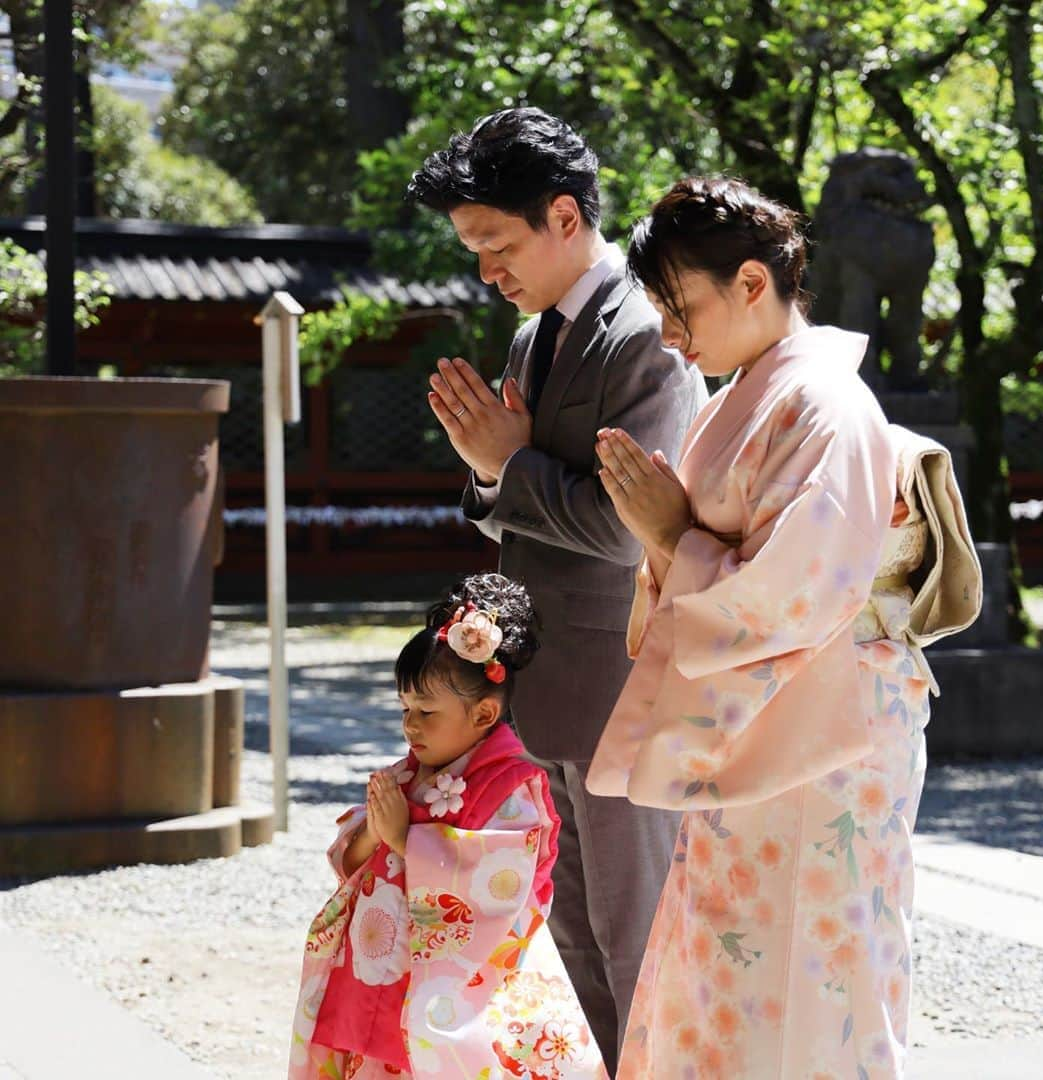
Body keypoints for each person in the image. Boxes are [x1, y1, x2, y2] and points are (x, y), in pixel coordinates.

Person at [585, 176, 981, 1078]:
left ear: (753, 284)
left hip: (825, 729)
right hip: (768, 722)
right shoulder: (753, 396)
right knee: (736, 959)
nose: (674, 339)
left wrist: (669, 535)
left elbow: (797, 592)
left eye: (681, 310)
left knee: (823, 968)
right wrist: (675, 541)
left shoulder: (825, 407)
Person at [405, 107, 707, 1071]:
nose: (487, 270)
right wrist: (494, 473)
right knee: (570, 939)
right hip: (550, 689)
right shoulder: (540, 333)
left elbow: (632, 532)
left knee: (640, 935)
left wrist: (508, 460)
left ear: (566, 216)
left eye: (497, 244)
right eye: (474, 249)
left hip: (623, 688)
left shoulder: (644, 336)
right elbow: (514, 506)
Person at [289, 572, 609, 1080]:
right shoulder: (407, 774)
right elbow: (351, 866)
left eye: (427, 711)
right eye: (406, 709)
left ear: (483, 714)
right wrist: (374, 833)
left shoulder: (514, 785)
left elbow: (501, 885)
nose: (411, 725)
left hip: (462, 989)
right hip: (382, 973)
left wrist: (404, 839)